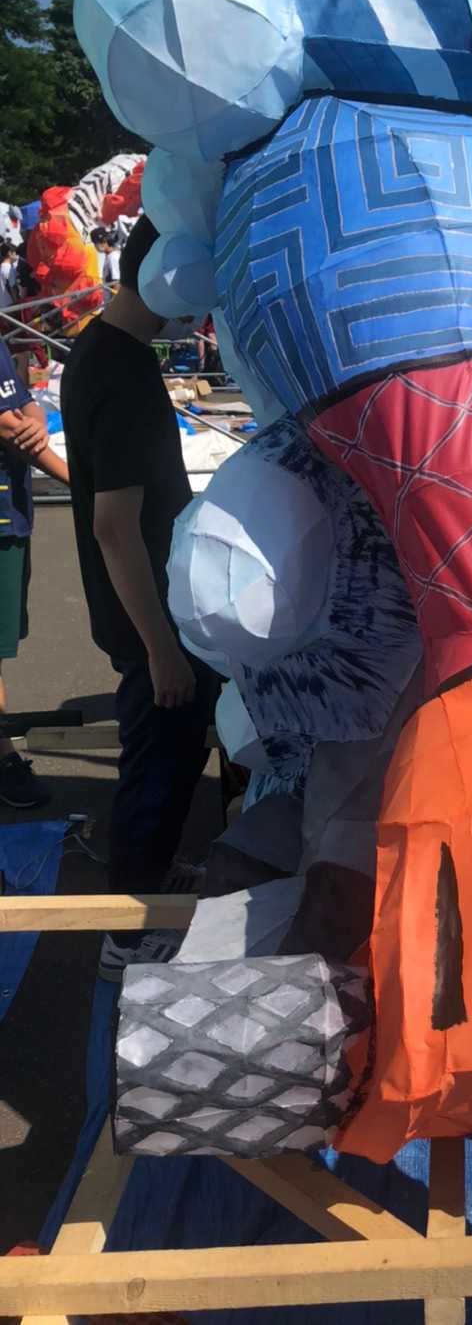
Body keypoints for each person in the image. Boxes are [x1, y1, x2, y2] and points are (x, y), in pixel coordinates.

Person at [60, 217, 219, 979]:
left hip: (151, 606)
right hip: (149, 617)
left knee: (171, 756)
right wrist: (161, 649)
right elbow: (114, 526)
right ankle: (127, 931)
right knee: (157, 765)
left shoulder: (105, 347)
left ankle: (150, 876)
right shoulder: (118, 372)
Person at [0, 337, 69, 806]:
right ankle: (3, 758)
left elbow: (21, 401)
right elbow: (8, 427)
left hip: (12, 514)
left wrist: (38, 424)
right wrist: (87, 485)